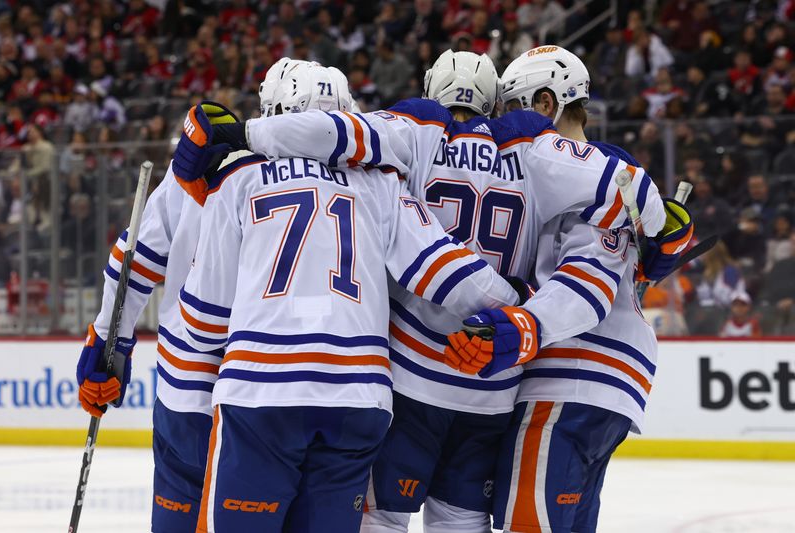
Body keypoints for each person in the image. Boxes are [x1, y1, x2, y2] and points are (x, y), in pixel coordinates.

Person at [206, 48, 666, 532]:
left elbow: (336, 136)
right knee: (460, 521)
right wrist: (659, 234)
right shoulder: (530, 147)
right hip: (493, 385)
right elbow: (632, 187)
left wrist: (243, 135)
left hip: (412, 375)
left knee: (380, 517)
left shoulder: (419, 130)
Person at [176, 63, 525, 533]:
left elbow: (204, 321)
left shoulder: (238, 177)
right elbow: (445, 274)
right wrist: (521, 302)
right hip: (358, 396)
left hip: (261, 392)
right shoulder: (382, 182)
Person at [443, 45, 693, 533]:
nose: (505, 128)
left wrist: (525, 327)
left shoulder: (579, 174)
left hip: (570, 374)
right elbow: (639, 256)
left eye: (514, 109)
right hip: (606, 384)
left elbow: (588, 278)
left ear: (544, 104)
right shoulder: (603, 176)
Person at [73, 58, 311, 533]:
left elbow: (134, 258)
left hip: (187, 389)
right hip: (281, 391)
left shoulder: (208, 162)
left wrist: (107, 343)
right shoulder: (358, 181)